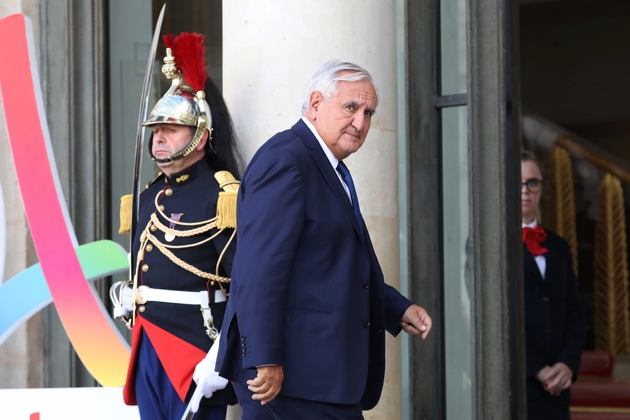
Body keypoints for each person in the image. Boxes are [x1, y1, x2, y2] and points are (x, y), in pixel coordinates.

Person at [216, 60, 433, 420]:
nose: (361, 123)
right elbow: (259, 269)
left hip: (321, 377)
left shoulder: (326, 165)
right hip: (291, 377)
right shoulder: (287, 159)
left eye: (369, 112)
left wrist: (395, 308)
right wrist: (265, 357)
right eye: (351, 107)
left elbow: (329, 264)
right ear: (315, 104)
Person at [111, 32, 241, 420]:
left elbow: (246, 286)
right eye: (156, 130)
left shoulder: (223, 196)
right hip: (148, 342)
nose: (159, 138)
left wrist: (220, 358)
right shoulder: (150, 195)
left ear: (200, 136)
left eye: (171, 129)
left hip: (196, 351)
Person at [521, 150, 586, 420]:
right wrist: (537, 367)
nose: (525, 190)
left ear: (541, 188)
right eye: (519, 182)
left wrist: (566, 364)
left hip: (556, 388)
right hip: (516, 383)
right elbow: (490, 317)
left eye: (533, 183)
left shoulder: (559, 246)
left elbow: (575, 310)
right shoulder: (491, 243)